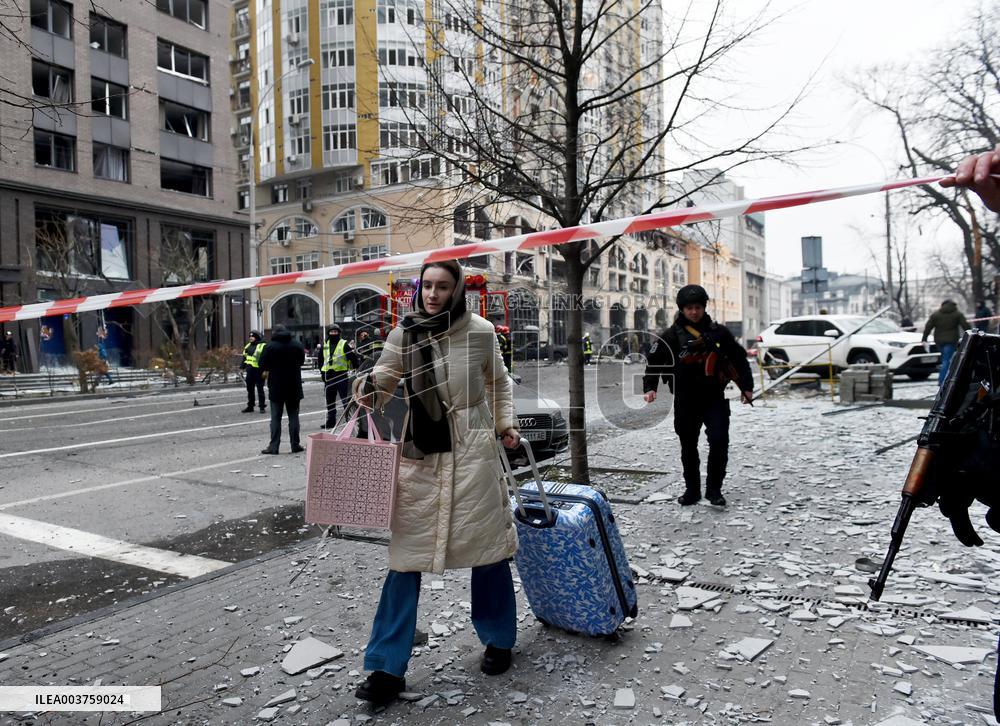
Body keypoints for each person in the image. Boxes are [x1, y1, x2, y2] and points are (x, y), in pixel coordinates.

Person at [351, 259, 521, 705]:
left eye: (442, 287)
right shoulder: (402, 334)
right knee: (404, 561)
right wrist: (367, 388)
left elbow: (499, 384)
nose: (432, 294)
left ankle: (499, 639)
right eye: (426, 286)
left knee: (487, 551)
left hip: (473, 452)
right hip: (420, 455)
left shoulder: (481, 331)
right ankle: (386, 668)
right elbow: (384, 382)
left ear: (458, 290)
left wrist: (506, 424)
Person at [642, 284, 754, 507]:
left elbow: (739, 359)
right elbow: (654, 362)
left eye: (698, 307)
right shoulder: (671, 335)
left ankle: (714, 490)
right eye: (689, 308)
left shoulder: (718, 332)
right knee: (688, 445)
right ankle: (692, 490)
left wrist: (746, 387)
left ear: (704, 307)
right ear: (682, 309)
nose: (694, 312)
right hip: (686, 399)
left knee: (720, 442)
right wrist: (650, 387)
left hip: (715, 398)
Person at [258, 324, 305, 455]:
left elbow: (262, 364)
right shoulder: (296, 345)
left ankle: (274, 446)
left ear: (274, 333)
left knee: (275, 418)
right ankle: (295, 445)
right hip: (294, 386)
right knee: (294, 417)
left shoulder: (270, 346)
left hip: (276, 386)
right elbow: (301, 361)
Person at [320, 324, 360, 429]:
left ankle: (350, 421)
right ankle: (331, 421)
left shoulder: (343, 344)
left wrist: (357, 367)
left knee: (345, 400)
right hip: (329, 376)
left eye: (335, 332)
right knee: (330, 401)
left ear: (339, 333)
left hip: (341, 375)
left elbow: (352, 357)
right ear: (328, 333)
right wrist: (322, 373)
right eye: (331, 332)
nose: (333, 333)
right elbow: (321, 360)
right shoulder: (325, 344)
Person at [922, 300, 971, 386]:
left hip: (939, 340)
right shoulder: (957, 314)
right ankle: (942, 381)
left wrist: (924, 338)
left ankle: (944, 379)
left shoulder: (936, 314)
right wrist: (971, 335)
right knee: (946, 360)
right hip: (951, 340)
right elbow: (965, 325)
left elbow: (928, 326)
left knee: (944, 359)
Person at [240, 330, 267, 413]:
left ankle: (262, 406)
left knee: (260, 388)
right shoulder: (248, 346)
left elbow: (265, 359)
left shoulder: (263, 345)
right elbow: (244, 357)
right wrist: (242, 367)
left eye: (253, 336)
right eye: (250, 336)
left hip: (259, 371)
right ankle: (250, 406)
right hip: (250, 370)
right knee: (250, 389)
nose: (250, 338)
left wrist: (265, 370)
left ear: (257, 337)